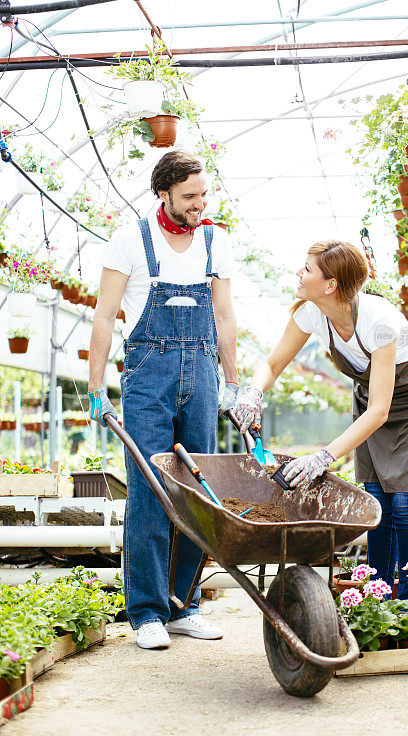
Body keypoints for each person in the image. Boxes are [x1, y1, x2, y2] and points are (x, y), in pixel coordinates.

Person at [233, 241, 408, 599]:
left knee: (406, 505)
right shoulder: (311, 313)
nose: (298, 274)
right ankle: (379, 595)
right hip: (374, 399)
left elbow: (380, 411)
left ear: (330, 284)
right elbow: (272, 365)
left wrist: (322, 457)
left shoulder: (378, 321)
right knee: (378, 500)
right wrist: (252, 393)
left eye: (306, 269)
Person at [88, 150, 238, 648]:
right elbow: (106, 315)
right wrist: (94, 386)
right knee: (150, 490)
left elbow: (224, 318)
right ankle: (147, 613)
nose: (200, 204)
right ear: (164, 193)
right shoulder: (131, 240)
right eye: (190, 196)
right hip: (148, 379)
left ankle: (184, 606)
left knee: (195, 489)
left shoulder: (216, 242)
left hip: (203, 372)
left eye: (203, 194)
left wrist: (232, 383)